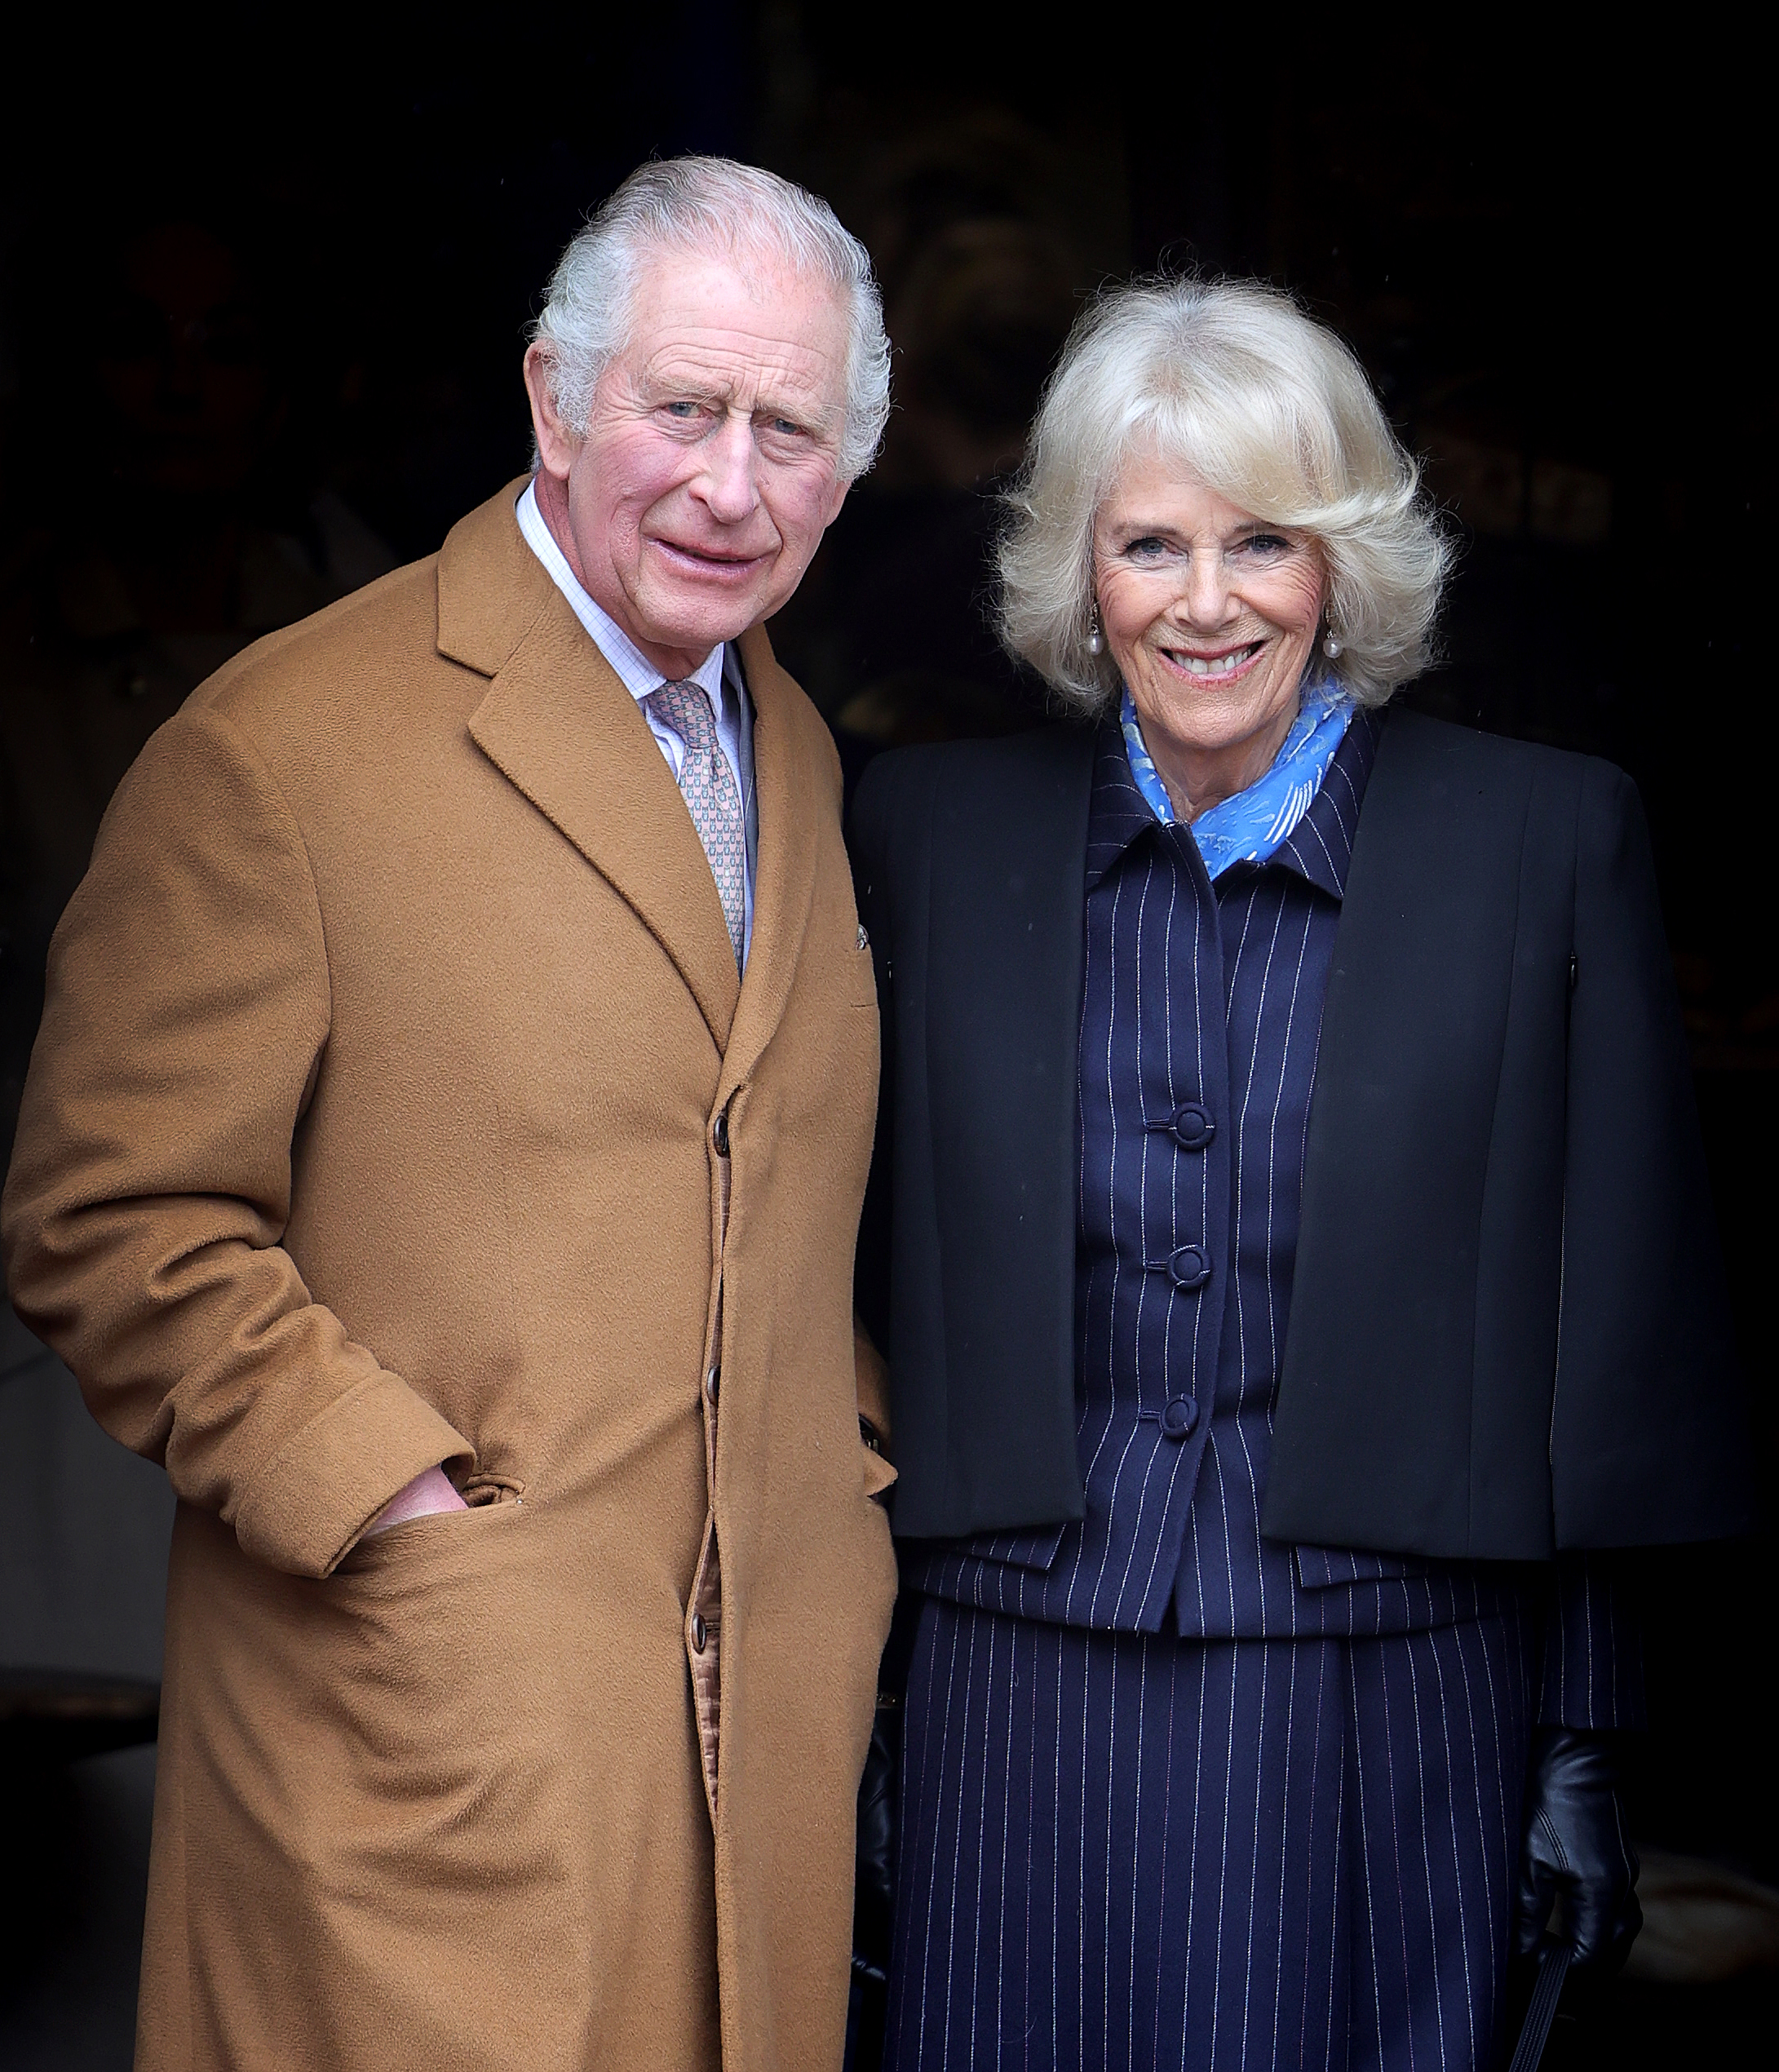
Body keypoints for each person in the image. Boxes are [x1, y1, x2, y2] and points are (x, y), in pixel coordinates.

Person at [4, 157, 898, 2072]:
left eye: (789, 428)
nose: (732, 484)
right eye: (682, 408)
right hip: (415, 1722)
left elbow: (750, 1166)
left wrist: (843, 1452)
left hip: (749, 1770)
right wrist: (390, 1504)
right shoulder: (282, 743)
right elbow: (109, 1213)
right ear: (551, 404)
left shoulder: (795, 743)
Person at [848, 277, 1751, 2070]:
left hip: (1394, 1682)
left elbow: (1607, 1318)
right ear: (1075, 573)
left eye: (1261, 540)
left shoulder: (1541, 840)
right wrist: (856, 1703)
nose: (1202, 602)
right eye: (1148, 544)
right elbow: (835, 1285)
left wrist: (1580, 1740)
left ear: (1341, 561)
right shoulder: (921, 842)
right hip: (1002, 1675)